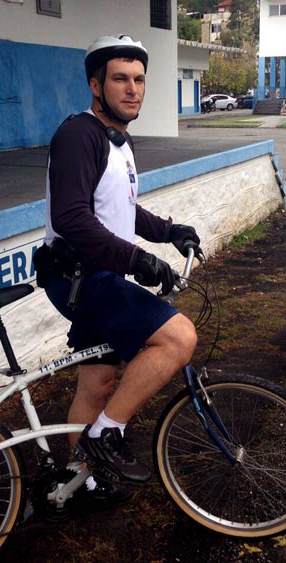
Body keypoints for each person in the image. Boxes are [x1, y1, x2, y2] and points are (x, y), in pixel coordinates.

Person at [38, 34, 200, 506]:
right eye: (120, 79)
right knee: (179, 338)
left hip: (99, 273)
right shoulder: (78, 134)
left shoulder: (118, 141)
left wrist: (168, 231)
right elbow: (71, 218)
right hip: (79, 278)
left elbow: (120, 210)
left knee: (98, 381)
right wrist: (138, 260)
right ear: (95, 84)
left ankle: (74, 481)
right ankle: (106, 435)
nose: (132, 89)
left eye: (139, 80)